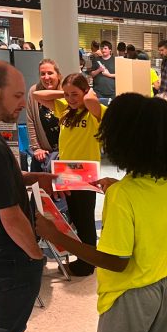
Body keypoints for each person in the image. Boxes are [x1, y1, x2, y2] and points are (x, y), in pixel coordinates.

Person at [36, 93, 167, 332]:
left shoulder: (124, 195)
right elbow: (147, 200)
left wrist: (59, 238)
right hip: (164, 285)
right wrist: (118, 185)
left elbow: (117, 260)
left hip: (129, 295)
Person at [0, 60, 56, 332]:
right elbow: (10, 216)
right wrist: (35, 256)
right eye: (17, 96)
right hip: (8, 258)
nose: (24, 104)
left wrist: (30, 177)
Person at [33, 74, 106, 277]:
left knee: (85, 220)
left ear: (85, 92)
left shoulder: (94, 112)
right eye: (67, 95)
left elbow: (91, 99)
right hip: (67, 172)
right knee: (74, 218)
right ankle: (81, 259)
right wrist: (66, 92)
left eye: (75, 94)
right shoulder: (65, 109)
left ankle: (87, 264)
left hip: (86, 174)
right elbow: (37, 94)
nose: (71, 99)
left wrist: (84, 91)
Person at [26, 59, 61, 172]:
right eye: (42, 74)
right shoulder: (34, 91)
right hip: (43, 153)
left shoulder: (66, 92)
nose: (46, 77)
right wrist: (36, 148)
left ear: (58, 75)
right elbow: (30, 121)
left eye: (50, 73)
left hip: (65, 153)